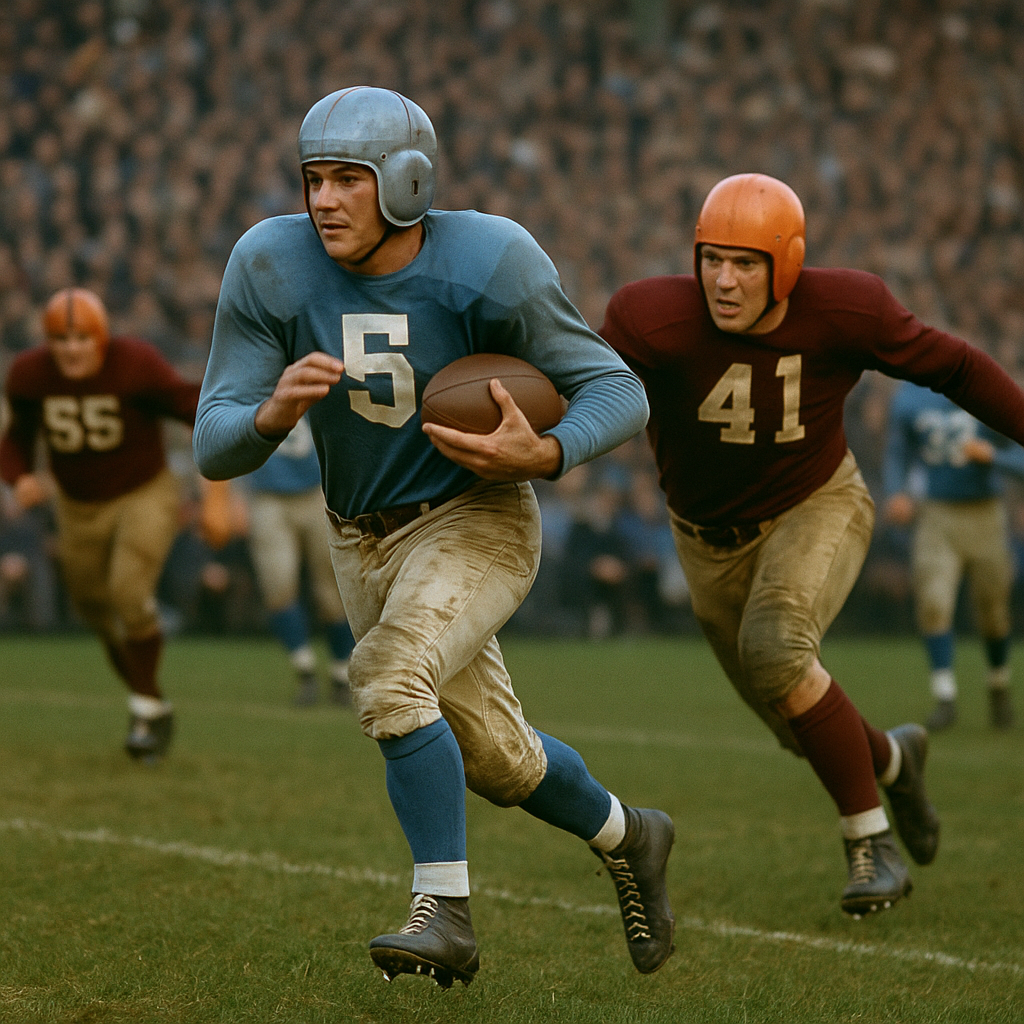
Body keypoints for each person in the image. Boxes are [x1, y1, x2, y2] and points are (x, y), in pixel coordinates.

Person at [193, 86, 674, 987]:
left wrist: (547, 450)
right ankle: (631, 835)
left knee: (386, 675)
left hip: (475, 518)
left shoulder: (490, 259)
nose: (323, 200)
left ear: (406, 182)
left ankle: (443, 910)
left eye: (347, 179)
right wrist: (268, 415)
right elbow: (213, 445)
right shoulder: (269, 262)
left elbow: (617, 389)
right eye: (313, 179)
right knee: (498, 760)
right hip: (357, 536)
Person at [600, 172, 1024, 918]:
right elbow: (584, 388)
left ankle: (870, 842)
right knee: (797, 725)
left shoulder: (846, 308)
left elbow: (954, 366)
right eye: (712, 259)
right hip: (704, 543)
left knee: (777, 652)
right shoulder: (649, 316)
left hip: (815, 506)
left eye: (746, 264)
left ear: (787, 264)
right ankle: (894, 759)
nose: (723, 281)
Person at [0, 288, 202, 763]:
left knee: (128, 592)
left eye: (82, 338)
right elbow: (16, 440)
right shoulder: (30, 373)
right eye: (60, 339)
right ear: (47, 342)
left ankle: (144, 710)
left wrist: (219, 480)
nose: (71, 349)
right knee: (93, 609)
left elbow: (192, 405)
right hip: (77, 504)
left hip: (143, 491)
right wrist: (19, 477)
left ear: (102, 337)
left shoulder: (135, 363)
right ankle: (151, 699)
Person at [882, 382, 1022, 732]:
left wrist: (994, 457)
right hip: (936, 513)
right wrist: (897, 490)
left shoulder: (985, 387)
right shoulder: (909, 396)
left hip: (985, 513)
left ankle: (998, 685)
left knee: (993, 611)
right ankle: (945, 697)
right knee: (933, 601)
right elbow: (897, 452)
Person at [241, 415, 356, 707]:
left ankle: (340, 672)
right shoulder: (251, 385)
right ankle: (304, 670)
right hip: (267, 494)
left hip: (319, 488)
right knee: (277, 588)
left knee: (333, 591)